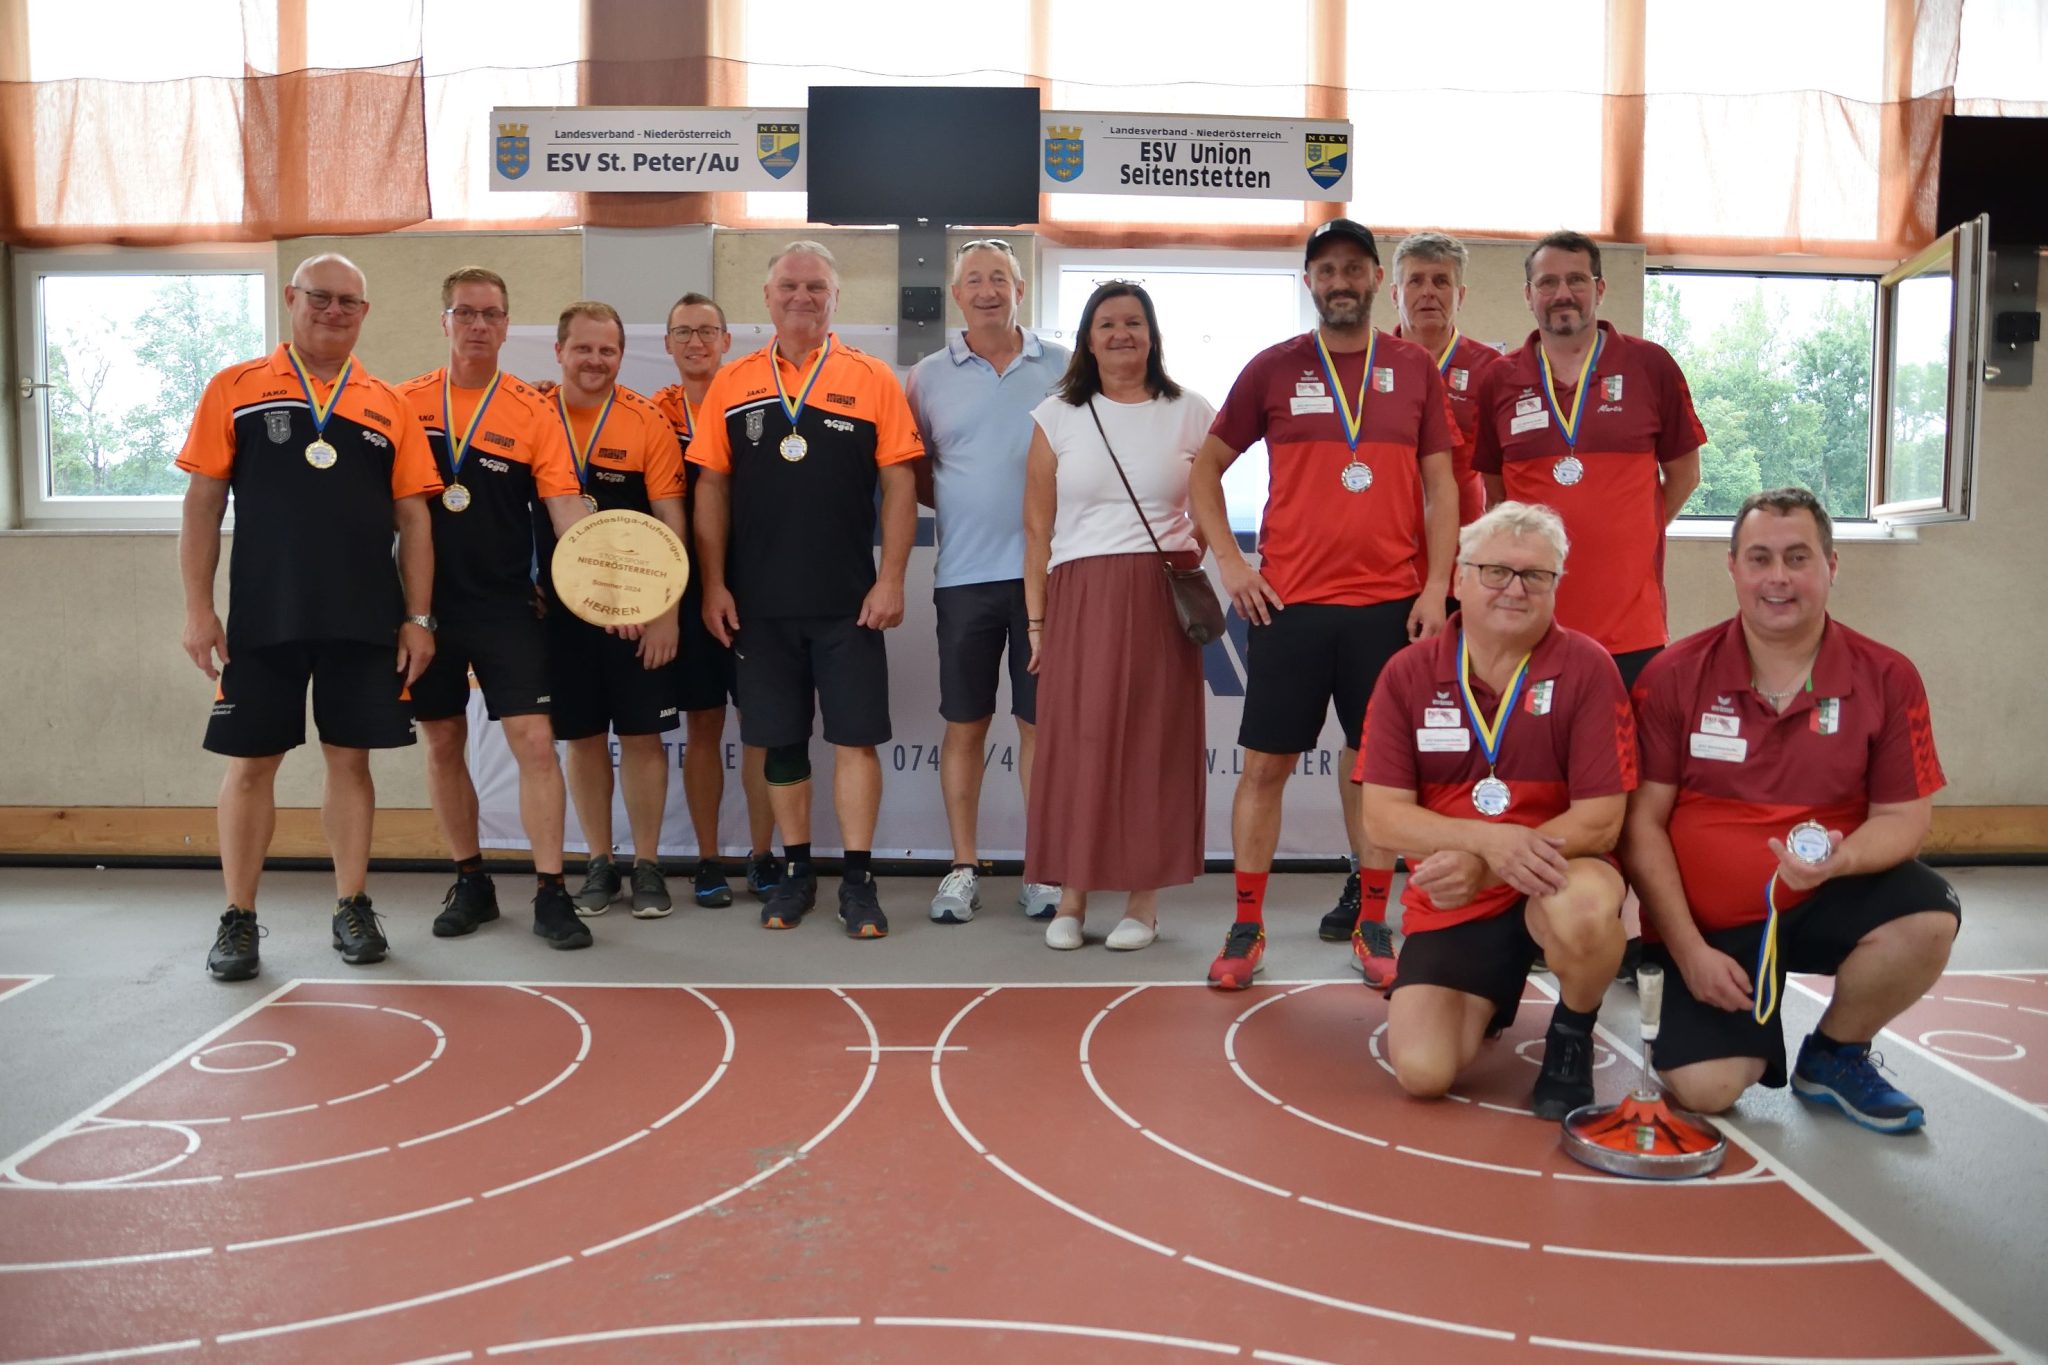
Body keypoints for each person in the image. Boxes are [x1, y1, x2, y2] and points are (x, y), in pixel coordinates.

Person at [1623, 487, 1958, 1133]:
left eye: (1798, 557)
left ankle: (1835, 1052)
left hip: (1818, 900)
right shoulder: (1671, 675)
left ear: (1832, 565)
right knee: (1709, 1088)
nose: (1778, 577)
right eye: (1760, 558)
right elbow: (1642, 824)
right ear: (1733, 568)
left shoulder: (1888, 677)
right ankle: (1716, 1006)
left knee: (1928, 914)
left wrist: (1841, 860)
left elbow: (1906, 818)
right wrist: (1688, 949)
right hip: (1707, 930)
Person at [1190, 218, 1461, 991]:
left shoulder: (1412, 369)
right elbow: (1206, 470)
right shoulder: (1273, 369)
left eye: (1354, 269)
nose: (1341, 282)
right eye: (1326, 271)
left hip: (1390, 607)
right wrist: (1233, 565)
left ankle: (1373, 923)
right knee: (1265, 767)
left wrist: (1437, 585)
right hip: (1291, 606)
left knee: (1379, 775)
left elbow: (1441, 487)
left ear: (1378, 279)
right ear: (1309, 283)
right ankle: (1247, 926)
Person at [181, 253, 441, 981]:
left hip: (366, 618)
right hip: (263, 615)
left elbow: (413, 518)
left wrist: (418, 616)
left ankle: (352, 903)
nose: (334, 312)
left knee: (350, 761)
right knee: (250, 764)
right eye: (320, 298)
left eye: (349, 302)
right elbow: (202, 503)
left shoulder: (388, 403)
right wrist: (199, 609)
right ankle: (238, 917)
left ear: (365, 312)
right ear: (292, 298)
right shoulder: (233, 388)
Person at [1356, 502, 1633, 1119]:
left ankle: (1572, 1031)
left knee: (1586, 911)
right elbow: (1381, 818)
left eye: (1537, 575)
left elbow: (1602, 819)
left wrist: (1492, 860)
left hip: (1558, 874)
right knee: (1423, 1074)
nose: (1516, 588)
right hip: (1456, 896)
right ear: (1458, 578)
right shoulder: (1407, 674)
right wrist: (1485, 845)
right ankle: (1486, 993)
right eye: (1497, 571)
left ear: (1557, 586)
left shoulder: (1589, 667)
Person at [689, 241, 921, 940]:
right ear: (766, 298)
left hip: (850, 601)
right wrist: (714, 584)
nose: (801, 297)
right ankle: (795, 872)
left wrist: (891, 577)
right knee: (781, 742)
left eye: (815, 286)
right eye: (788, 286)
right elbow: (711, 486)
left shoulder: (874, 377)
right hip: (758, 604)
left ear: (835, 297)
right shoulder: (732, 382)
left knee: (854, 740)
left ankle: (857, 878)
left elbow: (902, 482)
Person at [397, 268, 592, 950]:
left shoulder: (535, 410)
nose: (479, 324)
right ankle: (471, 879)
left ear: (508, 326)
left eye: (492, 314)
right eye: (466, 312)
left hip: (510, 605)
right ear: (445, 321)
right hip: (425, 611)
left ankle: (550, 890)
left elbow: (567, 508)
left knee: (536, 743)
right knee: (444, 740)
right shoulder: (402, 403)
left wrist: (608, 584)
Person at [1024, 281, 1214, 952]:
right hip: (1078, 591)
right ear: (1088, 338)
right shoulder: (1056, 415)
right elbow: (1037, 529)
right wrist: (1039, 623)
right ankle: (1071, 896)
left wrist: (1186, 560)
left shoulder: (1192, 412)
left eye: (1134, 322)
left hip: (1158, 595)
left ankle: (1143, 901)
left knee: (1151, 745)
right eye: (1107, 324)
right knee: (1079, 741)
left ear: (1152, 334)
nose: (1121, 334)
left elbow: (1208, 510)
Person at [907, 238, 1072, 925]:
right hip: (965, 580)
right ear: (957, 293)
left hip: (1050, 578)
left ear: (1021, 289)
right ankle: (963, 866)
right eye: (973, 279)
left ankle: (1043, 870)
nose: (986, 290)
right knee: (965, 724)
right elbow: (915, 469)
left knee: (1039, 726)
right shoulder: (925, 376)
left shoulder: (1064, 365)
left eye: (999, 278)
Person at [1469, 230, 1704, 686]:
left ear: (1599, 288)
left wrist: (1638, 527)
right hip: (1532, 623)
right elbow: (1496, 498)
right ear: (1528, 295)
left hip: (1631, 629)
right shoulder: (1498, 380)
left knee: (1628, 756)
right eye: (1547, 282)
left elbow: (1685, 474)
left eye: (1576, 280)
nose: (1562, 294)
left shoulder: (1650, 366)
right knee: (1535, 755)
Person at [540, 301, 689, 920]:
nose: (595, 360)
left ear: (622, 356)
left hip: (638, 609)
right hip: (561, 615)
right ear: (559, 351)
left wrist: (666, 612)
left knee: (643, 736)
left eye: (608, 350)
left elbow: (670, 520)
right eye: (584, 348)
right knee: (582, 740)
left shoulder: (645, 420)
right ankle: (599, 861)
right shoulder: (533, 415)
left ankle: (648, 865)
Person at [651, 291, 780, 910]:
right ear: (668, 344)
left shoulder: (755, 403)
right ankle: (708, 859)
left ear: (729, 341)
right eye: (684, 333)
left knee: (760, 728)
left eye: (707, 332)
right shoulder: (648, 414)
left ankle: (762, 856)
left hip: (755, 588)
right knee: (704, 727)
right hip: (685, 598)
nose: (696, 343)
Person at [1390, 230, 1500, 535]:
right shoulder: (1372, 363)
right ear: (1394, 294)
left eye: (1441, 281)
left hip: (1463, 543)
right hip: (1388, 542)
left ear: (1460, 295)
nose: (1428, 292)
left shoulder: (1491, 368)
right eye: (1415, 281)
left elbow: (1501, 473)